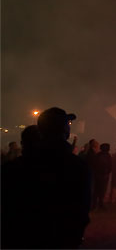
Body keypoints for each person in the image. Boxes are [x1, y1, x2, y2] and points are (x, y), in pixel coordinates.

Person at [1, 107, 91, 249]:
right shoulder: (76, 166)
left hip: (20, 238)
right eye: (67, 124)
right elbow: (81, 209)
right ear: (64, 131)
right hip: (61, 240)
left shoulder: (13, 167)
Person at [91, 143, 112, 209]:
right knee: (101, 190)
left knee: (96, 190)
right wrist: (107, 172)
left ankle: (95, 204)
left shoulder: (98, 155)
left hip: (98, 175)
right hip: (103, 175)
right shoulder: (107, 156)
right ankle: (100, 204)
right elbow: (109, 166)